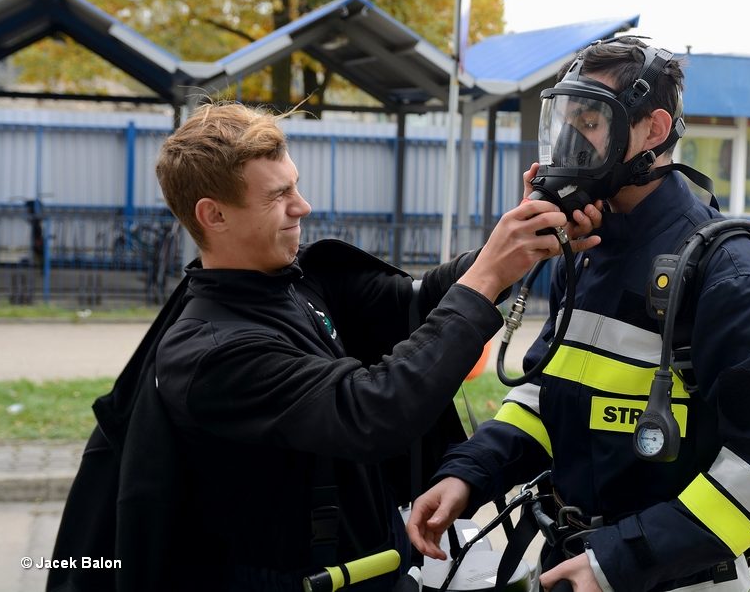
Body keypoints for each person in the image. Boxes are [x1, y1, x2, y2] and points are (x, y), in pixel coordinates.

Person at [120, 102, 601, 591]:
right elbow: (373, 410)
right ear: (214, 215)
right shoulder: (211, 352)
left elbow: (422, 302)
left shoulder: (297, 281)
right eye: (278, 195)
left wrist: (518, 234)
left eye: (296, 184)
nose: (302, 205)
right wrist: (491, 272)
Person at [407, 38, 750, 592]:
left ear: (652, 130)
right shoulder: (587, 250)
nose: (571, 141)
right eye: (566, 119)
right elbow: (547, 393)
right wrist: (469, 474)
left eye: (592, 120)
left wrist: (617, 561)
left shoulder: (732, 277)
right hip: (568, 564)